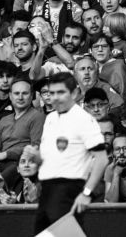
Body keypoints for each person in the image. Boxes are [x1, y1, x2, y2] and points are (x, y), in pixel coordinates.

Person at [32, 72, 107, 233]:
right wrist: (34, 158)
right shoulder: (50, 118)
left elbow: (102, 159)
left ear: (74, 93)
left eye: (61, 92)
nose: (55, 97)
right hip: (46, 189)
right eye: (51, 93)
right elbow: (48, 158)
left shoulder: (84, 119)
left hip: (69, 189)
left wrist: (86, 193)